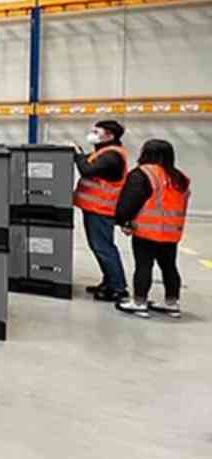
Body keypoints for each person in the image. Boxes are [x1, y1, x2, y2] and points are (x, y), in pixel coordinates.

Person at [114, 139, 191, 318]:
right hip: (171, 232)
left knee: (143, 266)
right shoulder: (179, 178)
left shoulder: (143, 174)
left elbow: (130, 201)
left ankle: (139, 302)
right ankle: (172, 303)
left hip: (146, 230)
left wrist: (123, 221)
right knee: (169, 267)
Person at [71, 120, 129, 302]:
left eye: (97, 132)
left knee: (104, 248)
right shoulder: (103, 152)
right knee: (99, 247)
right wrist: (80, 154)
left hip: (102, 209)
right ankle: (109, 282)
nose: (92, 134)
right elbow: (89, 163)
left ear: (110, 136)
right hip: (94, 208)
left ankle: (118, 288)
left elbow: (87, 170)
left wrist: (77, 154)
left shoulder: (112, 155)